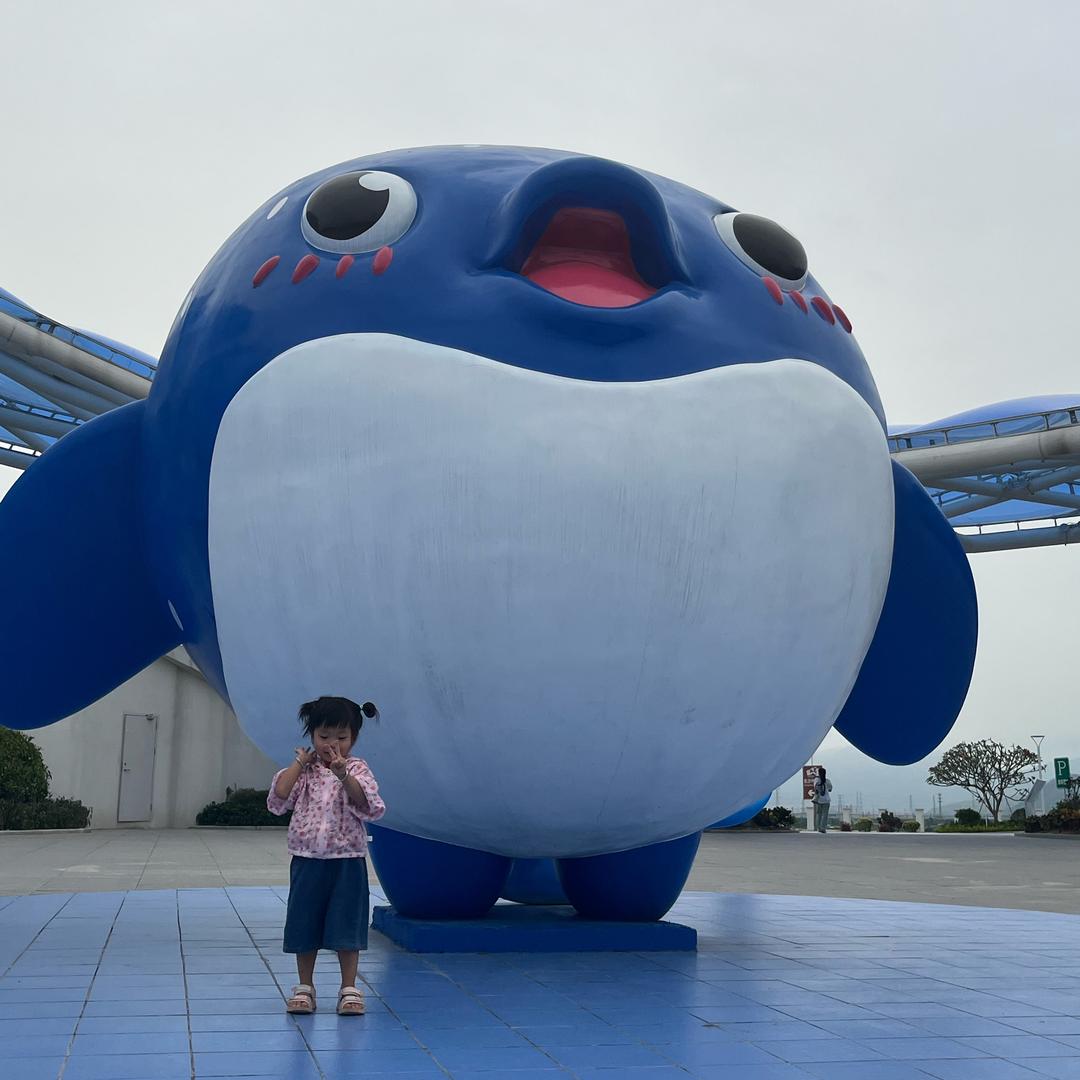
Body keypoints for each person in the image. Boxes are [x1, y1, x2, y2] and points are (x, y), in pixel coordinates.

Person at [267, 696, 385, 1016]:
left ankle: (349, 988)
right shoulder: (306, 771)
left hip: (347, 859)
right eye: (324, 737)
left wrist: (344, 775)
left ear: (354, 738)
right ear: (312, 736)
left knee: (347, 922)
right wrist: (299, 763)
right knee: (304, 922)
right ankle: (304, 987)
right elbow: (279, 797)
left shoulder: (358, 768)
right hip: (307, 858)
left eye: (342, 738)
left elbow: (369, 805)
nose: (332, 744)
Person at [812, 767, 832, 833]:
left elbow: (815, 789)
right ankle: (823, 828)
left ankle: (819, 828)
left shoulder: (816, 780)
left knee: (819, 814)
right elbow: (830, 789)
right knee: (825, 815)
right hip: (826, 800)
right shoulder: (827, 780)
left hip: (819, 800)